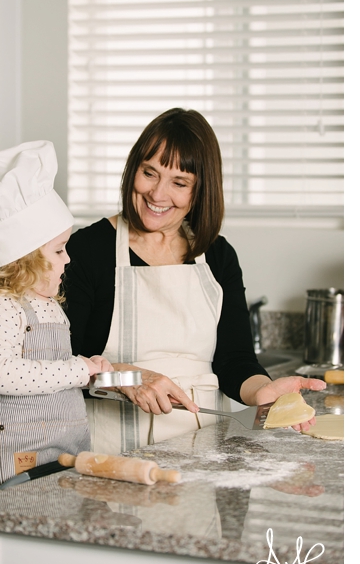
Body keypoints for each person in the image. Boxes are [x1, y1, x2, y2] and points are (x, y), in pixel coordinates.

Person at [63, 107, 324, 454]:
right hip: (111, 450)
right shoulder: (86, 249)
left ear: (200, 191)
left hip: (201, 449)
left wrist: (264, 391)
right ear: (132, 171)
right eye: (149, 173)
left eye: (179, 183)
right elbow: (61, 362)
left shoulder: (217, 256)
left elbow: (234, 360)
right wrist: (128, 377)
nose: (157, 194)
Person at [0, 141, 113, 496]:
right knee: (17, 532)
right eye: (59, 250)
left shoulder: (48, 305)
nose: (68, 259)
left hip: (65, 442)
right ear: (21, 259)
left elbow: (47, 373)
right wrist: (77, 369)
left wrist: (91, 372)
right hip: (21, 451)